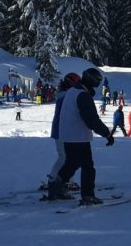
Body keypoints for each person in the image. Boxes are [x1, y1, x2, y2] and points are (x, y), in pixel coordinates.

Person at [47, 68, 115, 205]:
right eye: (97, 81)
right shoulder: (82, 94)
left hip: (71, 135)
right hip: (77, 136)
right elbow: (91, 119)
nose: (98, 84)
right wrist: (106, 134)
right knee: (83, 166)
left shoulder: (73, 91)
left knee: (75, 164)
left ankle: (57, 188)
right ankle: (85, 195)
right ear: (90, 79)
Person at [44, 73, 80, 190]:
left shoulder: (64, 95)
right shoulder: (67, 96)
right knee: (64, 157)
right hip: (63, 131)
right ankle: (54, 180)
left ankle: (64, 180)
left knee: (67, 157)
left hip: (61, 130)